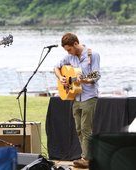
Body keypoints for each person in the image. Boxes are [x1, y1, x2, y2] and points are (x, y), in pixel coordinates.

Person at [54, 32, 100, 168]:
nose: (69, 53)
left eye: (69, 49)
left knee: (86, 129)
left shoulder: (93, 55)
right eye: (66, 51)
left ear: (75, 44)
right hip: (75, 97)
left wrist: (84, 79)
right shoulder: (70, 57)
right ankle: (85, 157)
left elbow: (96, 76)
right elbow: (56, 67)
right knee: (79, 129)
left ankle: (87, 159)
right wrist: (61, 78)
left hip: (89, 97)